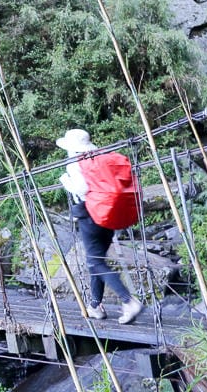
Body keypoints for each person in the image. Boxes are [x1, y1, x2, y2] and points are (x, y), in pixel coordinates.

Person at [56, 128, 144, 324]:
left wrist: (65, 181)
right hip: (108, 213)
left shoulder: (75, 164)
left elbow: (81, 189)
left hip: (90, 215)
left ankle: (128, 301)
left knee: (95, 262)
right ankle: (95, 306)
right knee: (96, 260)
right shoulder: (100, 158)